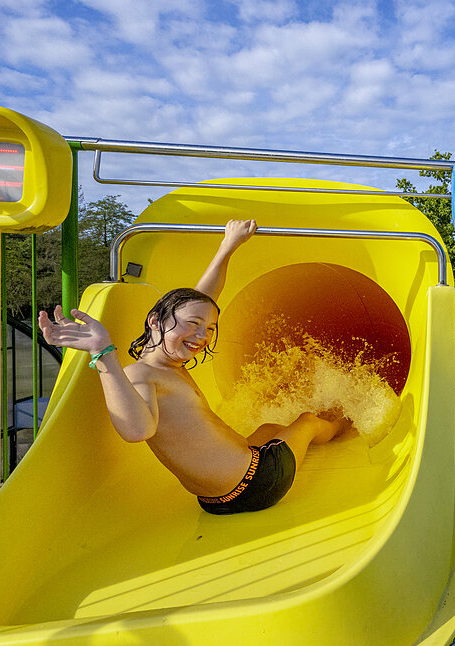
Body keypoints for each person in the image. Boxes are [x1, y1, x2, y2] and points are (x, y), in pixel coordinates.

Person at [38, 219, 350, 514]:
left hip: (214, 500)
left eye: (210, 328)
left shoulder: (164, 361)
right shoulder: (141, 375)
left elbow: (201, 299)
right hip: (258, 484)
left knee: (269, 429)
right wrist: (103, 352)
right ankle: (347, 423)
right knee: (307, 421)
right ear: (155, 321)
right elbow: (137, 431)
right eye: (192, 324)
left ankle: (309, 431)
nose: (202, 336)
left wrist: (228, 245)